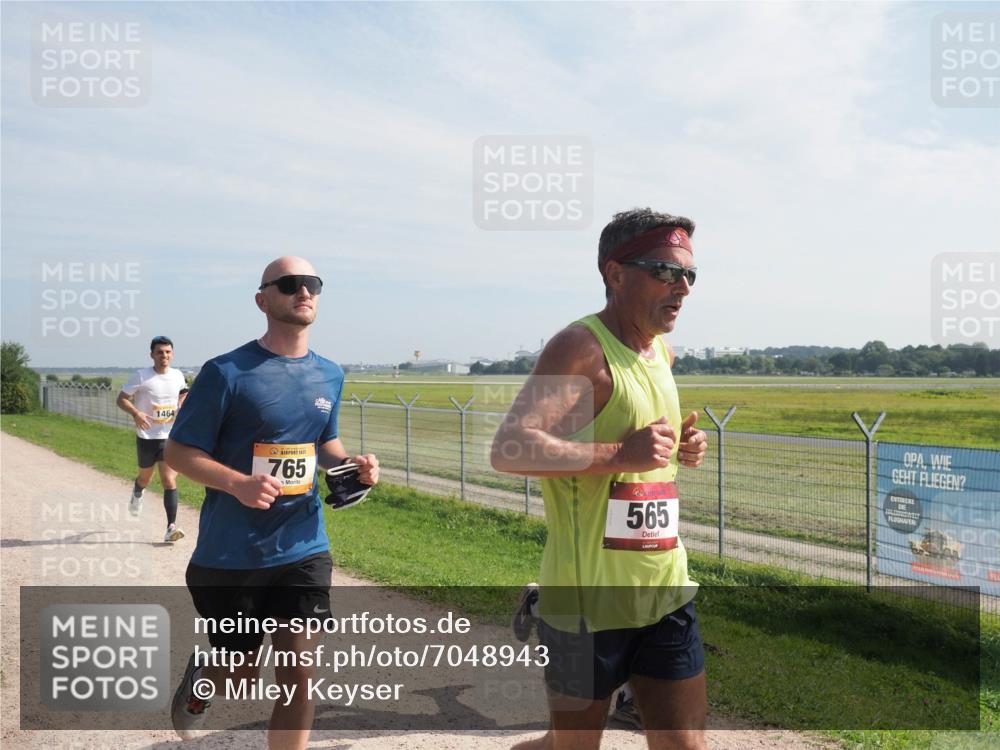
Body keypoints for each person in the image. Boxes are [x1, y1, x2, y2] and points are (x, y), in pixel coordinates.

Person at [493, 208, 710, 750]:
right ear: (615, 274)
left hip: (663, 588)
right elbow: (509, 447)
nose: (681, 287)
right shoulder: (581, 348)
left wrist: (680, 449)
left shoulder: (662, 350)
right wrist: (619, 452)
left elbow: (644, 450)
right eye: (664, 270)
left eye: (689, 274)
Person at [164, 256, 379, 750]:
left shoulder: (329, 373)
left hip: (303, 545)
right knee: (239, 672)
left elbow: (324, 443)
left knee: (299, 674)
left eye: (313, 284)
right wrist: (238, 483)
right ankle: (206, 676)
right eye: (290, 284)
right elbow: (178, 451)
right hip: (231, 554)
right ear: (263, 300)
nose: (304, 291)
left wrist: (353, 468)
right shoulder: (225, 372)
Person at [116, 335, 189, 542]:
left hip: (169, 436)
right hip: (147, 436)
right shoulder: (141, 376)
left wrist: (182, 403)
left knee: (169, 479)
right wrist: (136, 413)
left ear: (172, 354)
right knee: (145, 478)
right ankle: (138, 491)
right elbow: (121, 399)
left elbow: (182, 392)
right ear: (152, 355)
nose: (164, 355)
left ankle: (170, 527)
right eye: (159, 352)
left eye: (167, 352)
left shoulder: (177, 375)